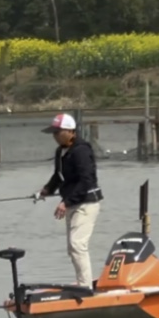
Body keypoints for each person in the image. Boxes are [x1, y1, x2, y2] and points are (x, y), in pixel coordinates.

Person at [35, 112, 103, 289]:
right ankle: (82, 282)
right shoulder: (60, 152)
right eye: (54, 132)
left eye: (58, 132)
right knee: (71, 249)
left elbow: (86, 180)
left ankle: (85, 287)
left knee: (78, 244)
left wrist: (66, 202)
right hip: (72, 202)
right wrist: (47, 189)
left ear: (71, 132)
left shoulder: (81, 150)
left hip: (87, 203)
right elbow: (58, 176)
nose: (55, 136)